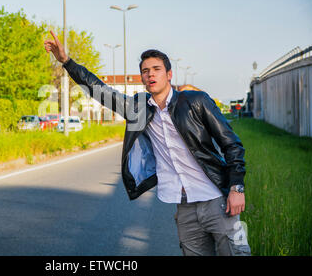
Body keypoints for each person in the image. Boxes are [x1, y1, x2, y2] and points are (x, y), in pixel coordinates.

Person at [44, 31, 251, 256]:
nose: (150, 74)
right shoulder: (139, 108)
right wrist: (66, 62)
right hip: (184, 207)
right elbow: (100, 91)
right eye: (145, 71)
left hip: (216, 200)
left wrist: (236, 187)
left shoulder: (195, 102)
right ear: (142, 79)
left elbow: (232, 144)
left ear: (169, 74)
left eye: (156, 69)